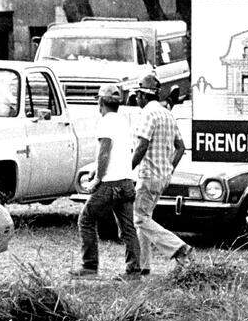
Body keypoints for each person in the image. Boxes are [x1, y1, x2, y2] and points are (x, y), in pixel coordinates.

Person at [71, 84, 142, 278]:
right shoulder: (124, 121)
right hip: (127, 182)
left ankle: (89, 266)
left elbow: (104, 153)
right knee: (128, 228)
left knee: (85, 219)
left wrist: (97, 179)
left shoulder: (105, 122)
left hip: (110, 184)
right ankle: (134, 269)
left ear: (100, 102)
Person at [131, 75, 193, 274]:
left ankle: (178, 248)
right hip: (163, 176)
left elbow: (142, 145)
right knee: (144, 218)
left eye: (138, 95)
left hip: (148, 175)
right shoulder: (166, 114)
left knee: (140, 219)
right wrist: (169, 168)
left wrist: (128, 168)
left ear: (143, 96)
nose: (136, 99)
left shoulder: (148, 114)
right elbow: (181, 147)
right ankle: (144, 265)